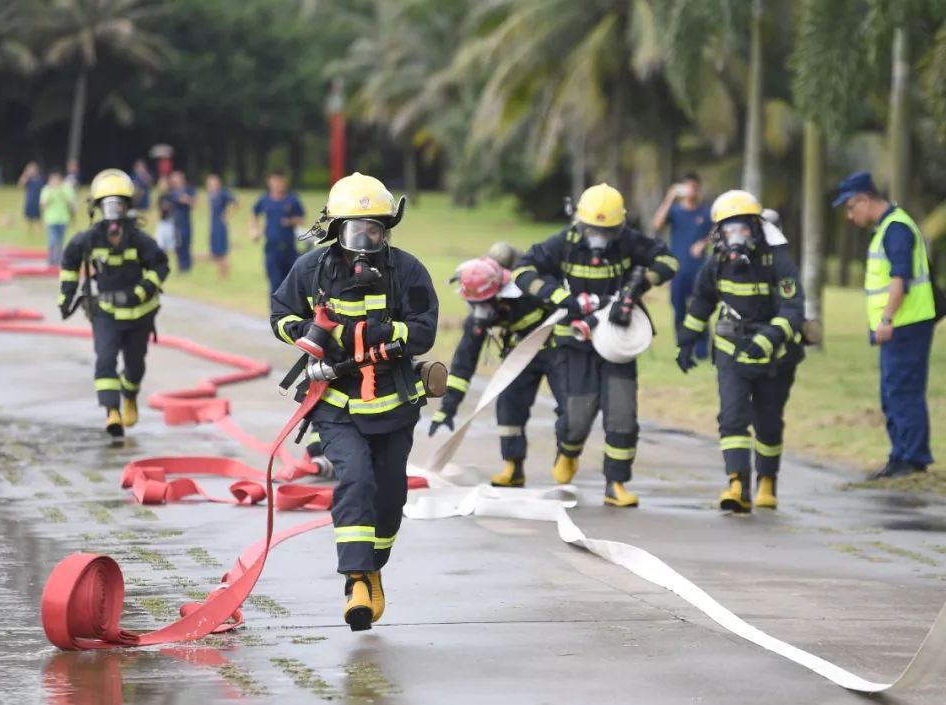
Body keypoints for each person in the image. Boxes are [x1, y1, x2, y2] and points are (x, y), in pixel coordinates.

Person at [270, 172, 437, 631]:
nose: (365, 240)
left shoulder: (408, 271)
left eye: (374, 229)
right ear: (335, 229)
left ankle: (374, 565)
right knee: (355, 481)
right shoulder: (312, 269)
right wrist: (307, 333)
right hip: (336, 401)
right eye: (354, 229)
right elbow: (280, 313)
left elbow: (424, 329)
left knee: (390, 495)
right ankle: (356, 581)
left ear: (387, 229)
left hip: (394, 401)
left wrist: (377, 336)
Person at [513, 183, 678, 507]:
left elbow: (668, 261)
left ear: (619, 226)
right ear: (579, 224)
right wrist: (562, 298)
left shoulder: (629, 241)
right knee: (576, 414)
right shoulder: (564, 243)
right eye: (593, 229)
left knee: (622, 415)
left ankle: (615, 483)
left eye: (607, 231)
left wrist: (639, 286)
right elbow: (523, 270)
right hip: (576, 341)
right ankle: (568, 450)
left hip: (617, 338)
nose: (599, 237)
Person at [676, 190, 805, 512]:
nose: (736, 236)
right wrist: (687, 341)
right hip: (731, 350)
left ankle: (766, 482)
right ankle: (736, 484)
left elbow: (794, 308)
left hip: (775, 356)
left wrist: (769, 338)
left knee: (768, 421)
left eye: (742, 228)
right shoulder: (717, 261)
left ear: (756, 227)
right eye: (728, 229)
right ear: (719, 233)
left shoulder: (777, 258)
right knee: (732, 417)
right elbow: (702, 301)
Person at [431, 245, 564, 488]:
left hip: (556, 351)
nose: (481, 311)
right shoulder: (479, 319)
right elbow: (463, 366)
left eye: (485, 303)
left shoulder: (531, 288)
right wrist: (447, 409)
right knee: (509, 407)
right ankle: (513, 467)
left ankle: (567, 454)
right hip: (518, 356)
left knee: (569, 406)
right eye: (475, 304)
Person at [834, 171, 937, 479]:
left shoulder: (896, 229)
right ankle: (900, 456)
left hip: (905, 324)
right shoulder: (888, 228)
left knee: (902, 391)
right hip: (901, 324)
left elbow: (900, 278)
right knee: (893, 391)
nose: (850, 216)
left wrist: (887, 318)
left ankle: (912, 459)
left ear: (864, 200)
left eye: (851, 208)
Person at [58, 169, 170, 438]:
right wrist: (66, 295)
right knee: (105, 360)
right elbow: (70, 262)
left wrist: (145, 289)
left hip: (139, 315)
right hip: (106, 313)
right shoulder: (88, 240)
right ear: (97, 208)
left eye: (118, 204)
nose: (113, 212)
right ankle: (112, 412)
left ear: (127, 207)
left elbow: (161, 265)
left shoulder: (140, 240)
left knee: (135, 365)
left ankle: (129, 395)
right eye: (107, 205)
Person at [652, 172, 712, 359]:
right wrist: (669, 197)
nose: (691, 191)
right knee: (679, 310)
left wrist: (704, 243)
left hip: (699, 271)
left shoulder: (705, 212)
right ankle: (683, 347)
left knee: (699, 308)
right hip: (678, 271)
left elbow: (717, 233)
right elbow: (657, 224)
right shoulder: (676, 211)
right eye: (688, 187)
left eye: (695, 187)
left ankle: (702, 350)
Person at [252, 171, 306, 297]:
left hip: (289, 247)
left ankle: (290, 311)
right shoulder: (264, 199)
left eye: (281, 181)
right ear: (269, 183)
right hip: (272, 247)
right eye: (275, 181)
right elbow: (254, 213)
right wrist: (254, 230)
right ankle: (275, 312)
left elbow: (301, 218)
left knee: (291, 281)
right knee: (274, 281)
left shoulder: (292, 199)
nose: (278, 184)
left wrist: (290, 221)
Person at [39, 170, 77, 266]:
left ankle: (59, 260)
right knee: (52, 240)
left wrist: (61, 192)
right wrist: (52, 192)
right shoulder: (47, 189)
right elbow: (43, 204)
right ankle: (51, 260)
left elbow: (71, 203)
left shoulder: (66, 189)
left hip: (63, 219)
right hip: (51, 219)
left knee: (60, 241)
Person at [207, 174, 238, 277]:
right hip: (213, 225)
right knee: (216, 252)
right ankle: (220, 274)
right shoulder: (211, 195)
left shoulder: (223, 194)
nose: (211, 185)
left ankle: (225, 274)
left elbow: (237, 202)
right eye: (209, 183)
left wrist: (227, 214)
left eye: (213, 183)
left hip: (220, 226)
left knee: (222, 253)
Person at [168, 171, 196, 272]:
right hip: (176, 222)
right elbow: (180, 200)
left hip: (186, 221)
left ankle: (187, 266)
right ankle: (181, 266)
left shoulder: (189, 189)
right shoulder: (172, 192)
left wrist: (186, 199)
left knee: (187, 243)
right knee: (178, 245)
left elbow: (193, 202)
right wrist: (186, 199)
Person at [18, 162, 45, 235]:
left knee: (38, 218)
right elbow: (20, 185)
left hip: (38, 200)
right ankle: (29, 232)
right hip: (29, 200)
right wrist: (25, 175)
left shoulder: (40, 179)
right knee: (28, 218)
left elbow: (44, 189)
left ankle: (40, 231)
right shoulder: (29, 179)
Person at [154, 188, 176, 255]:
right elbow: (159, 208)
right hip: (162, 222)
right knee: (159, 242)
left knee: (171, 245)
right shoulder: (161, 197)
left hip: (170, 221)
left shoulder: (172, 197)